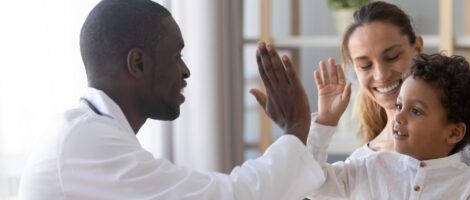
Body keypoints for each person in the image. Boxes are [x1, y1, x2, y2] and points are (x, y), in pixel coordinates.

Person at [19, 0, 324, 199]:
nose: (186, 70)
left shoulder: (89, 133)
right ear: (138, 63)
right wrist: (296, 126)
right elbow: (230, 196)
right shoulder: (85, 142)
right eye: (176, 55)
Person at [308, 1, 470, 199]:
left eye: (392, 57)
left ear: (417, 48)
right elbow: (309, 182)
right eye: (365, 65)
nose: (381, 75)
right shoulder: (364, 164)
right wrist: (325, 121)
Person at [308, 53, 470, 199]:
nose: (397, 117)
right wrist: (326, 120)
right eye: (399, 106)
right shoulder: (369, 167)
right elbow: (310, 182)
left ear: (454, 132)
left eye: (416, 111)